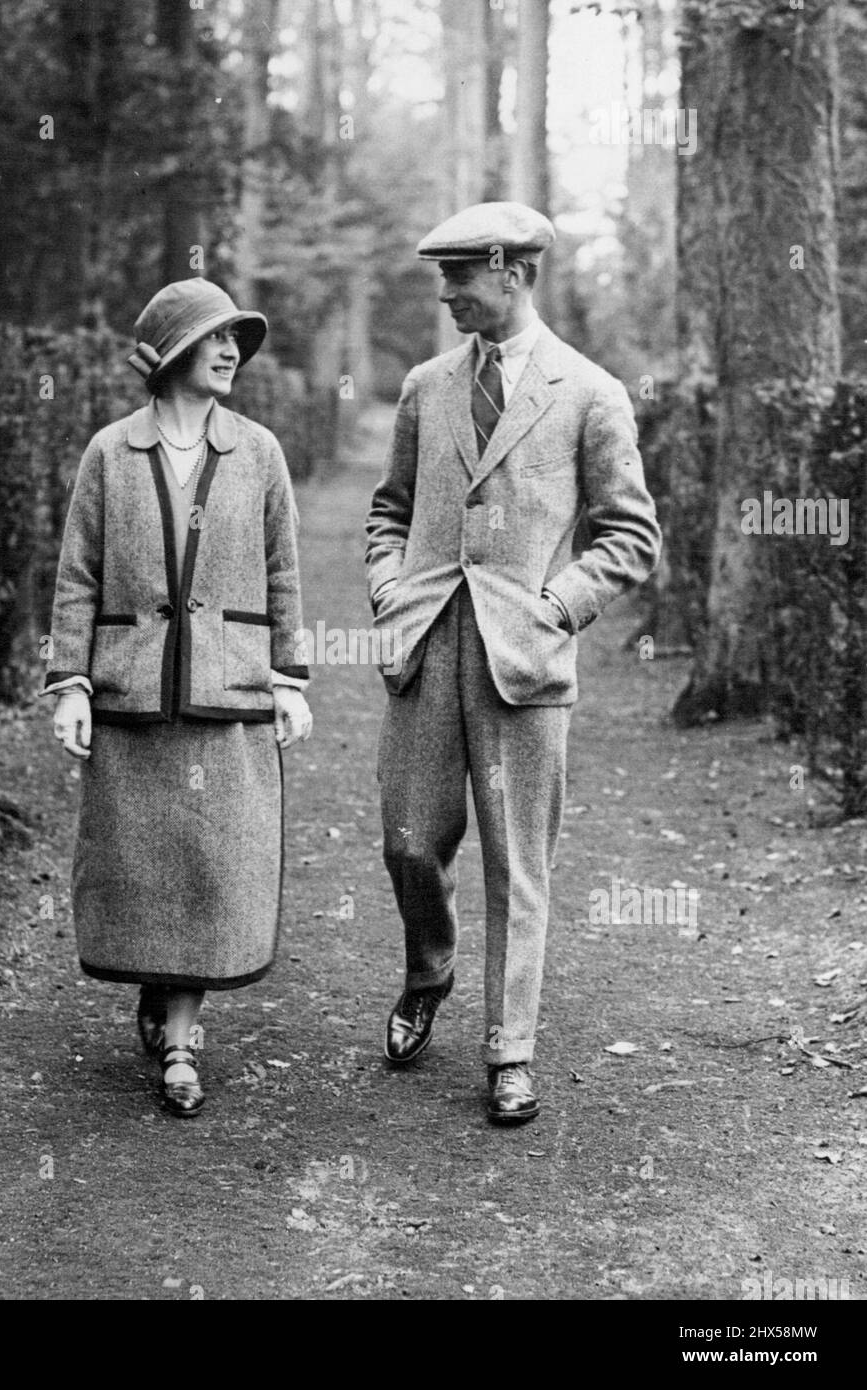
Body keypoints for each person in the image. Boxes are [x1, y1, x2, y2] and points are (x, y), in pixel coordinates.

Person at [365, 202, 661, 1124]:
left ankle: (510, 1049)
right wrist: (390, 588)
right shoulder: (426, 386)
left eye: (460, 277)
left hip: (525, 656)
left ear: (512, 272)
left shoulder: (589, 391)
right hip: (428, 643)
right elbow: (389, 508)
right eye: (441, 278)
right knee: (410, 843)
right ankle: (430, 970)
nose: (447, 294)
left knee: (517, 862)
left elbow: (629, 534)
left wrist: (558, 605)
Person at [43, 278, 312, 1117]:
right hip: (133, 691)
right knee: (146, 864)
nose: (231, 352)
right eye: (213, 339)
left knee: (207, 866)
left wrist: (289, 678)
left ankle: (184, 1044)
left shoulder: (259, 452)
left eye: (236, 339)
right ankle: (159, 995)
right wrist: (70, 684)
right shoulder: (108, 454)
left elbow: (282, 571)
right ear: (170, 355)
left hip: (225, 691)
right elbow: (77, 576)